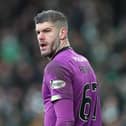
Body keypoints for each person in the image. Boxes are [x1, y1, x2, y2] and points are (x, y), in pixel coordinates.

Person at [34, 10, 102, 126]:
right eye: (38, 32)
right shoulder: (84, 62)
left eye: (47, 31)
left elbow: (65, 122)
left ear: (62, 33)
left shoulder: (57, 66)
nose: (40, 37)